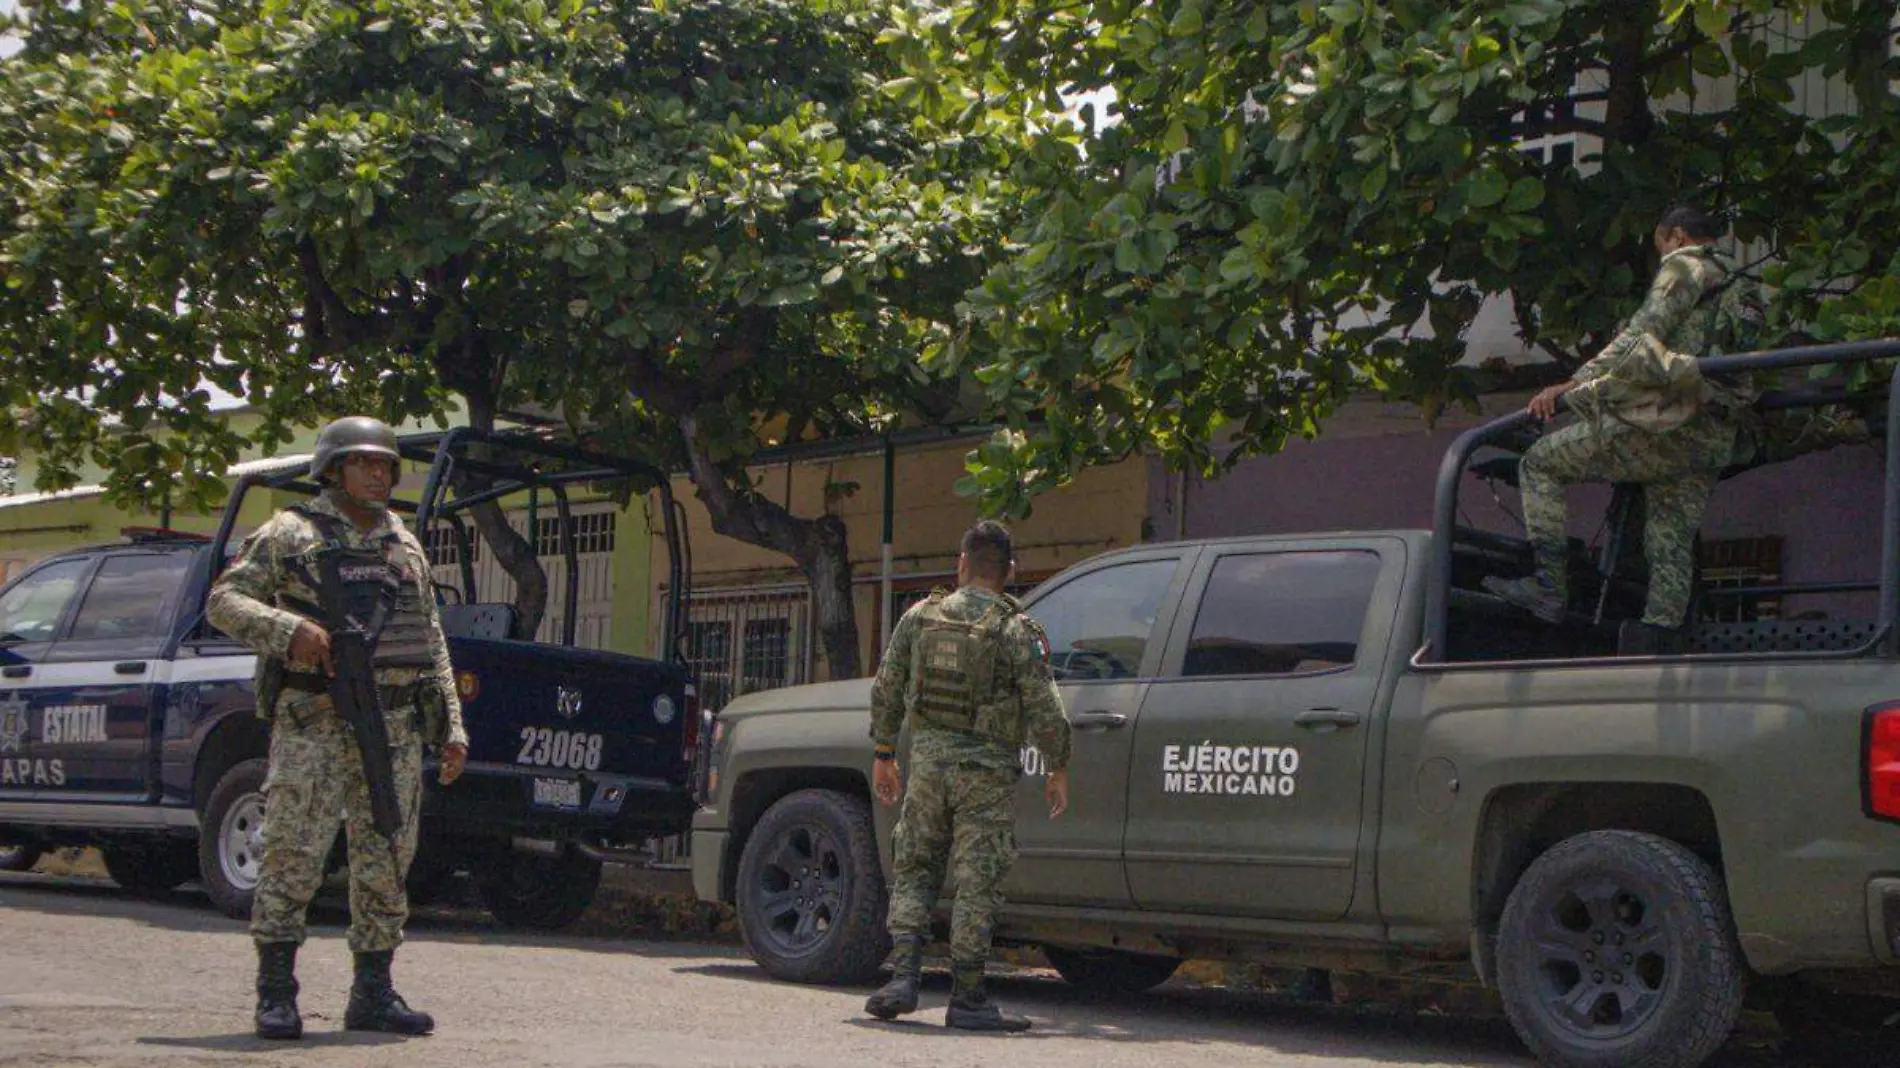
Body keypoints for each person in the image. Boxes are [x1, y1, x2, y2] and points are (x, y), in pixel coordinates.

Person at [207, 416, 469, 1040]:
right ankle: (276, 994)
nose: (380, 474)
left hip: (396, 727)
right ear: (333, 468)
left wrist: (452, 727)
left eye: (387, 465)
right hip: (315, 722)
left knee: (386, 860)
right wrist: (287, 631)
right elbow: (223, 601)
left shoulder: (403, 543)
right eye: (365, 463)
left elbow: (430, 636)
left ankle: (373, 994)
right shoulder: (289, 533)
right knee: (293, 855)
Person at [1484, 205, 1762, 646]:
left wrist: (1574, 384)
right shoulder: (1743, 282)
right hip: (1714, 432)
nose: (1662, 255)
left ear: (1675, 236)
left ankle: (1548, 587)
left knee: (1540, 463)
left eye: (1660, 246)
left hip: (1669, 420)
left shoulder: (1685, 266)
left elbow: (1642, 333)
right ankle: (1660, 634)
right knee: (1668, 535)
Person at [863, 521, 1072, 1032]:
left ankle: (903, 977)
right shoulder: (1018, 629)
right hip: (986, 772)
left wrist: (885, 752)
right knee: (977, 877)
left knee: (916, 864)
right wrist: (1058, 766)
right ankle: (970, 995)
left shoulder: (919, 617)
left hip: (929, 766)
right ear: (1011, 573)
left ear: (961, 563)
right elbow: (1045, 706)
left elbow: (887, 686)